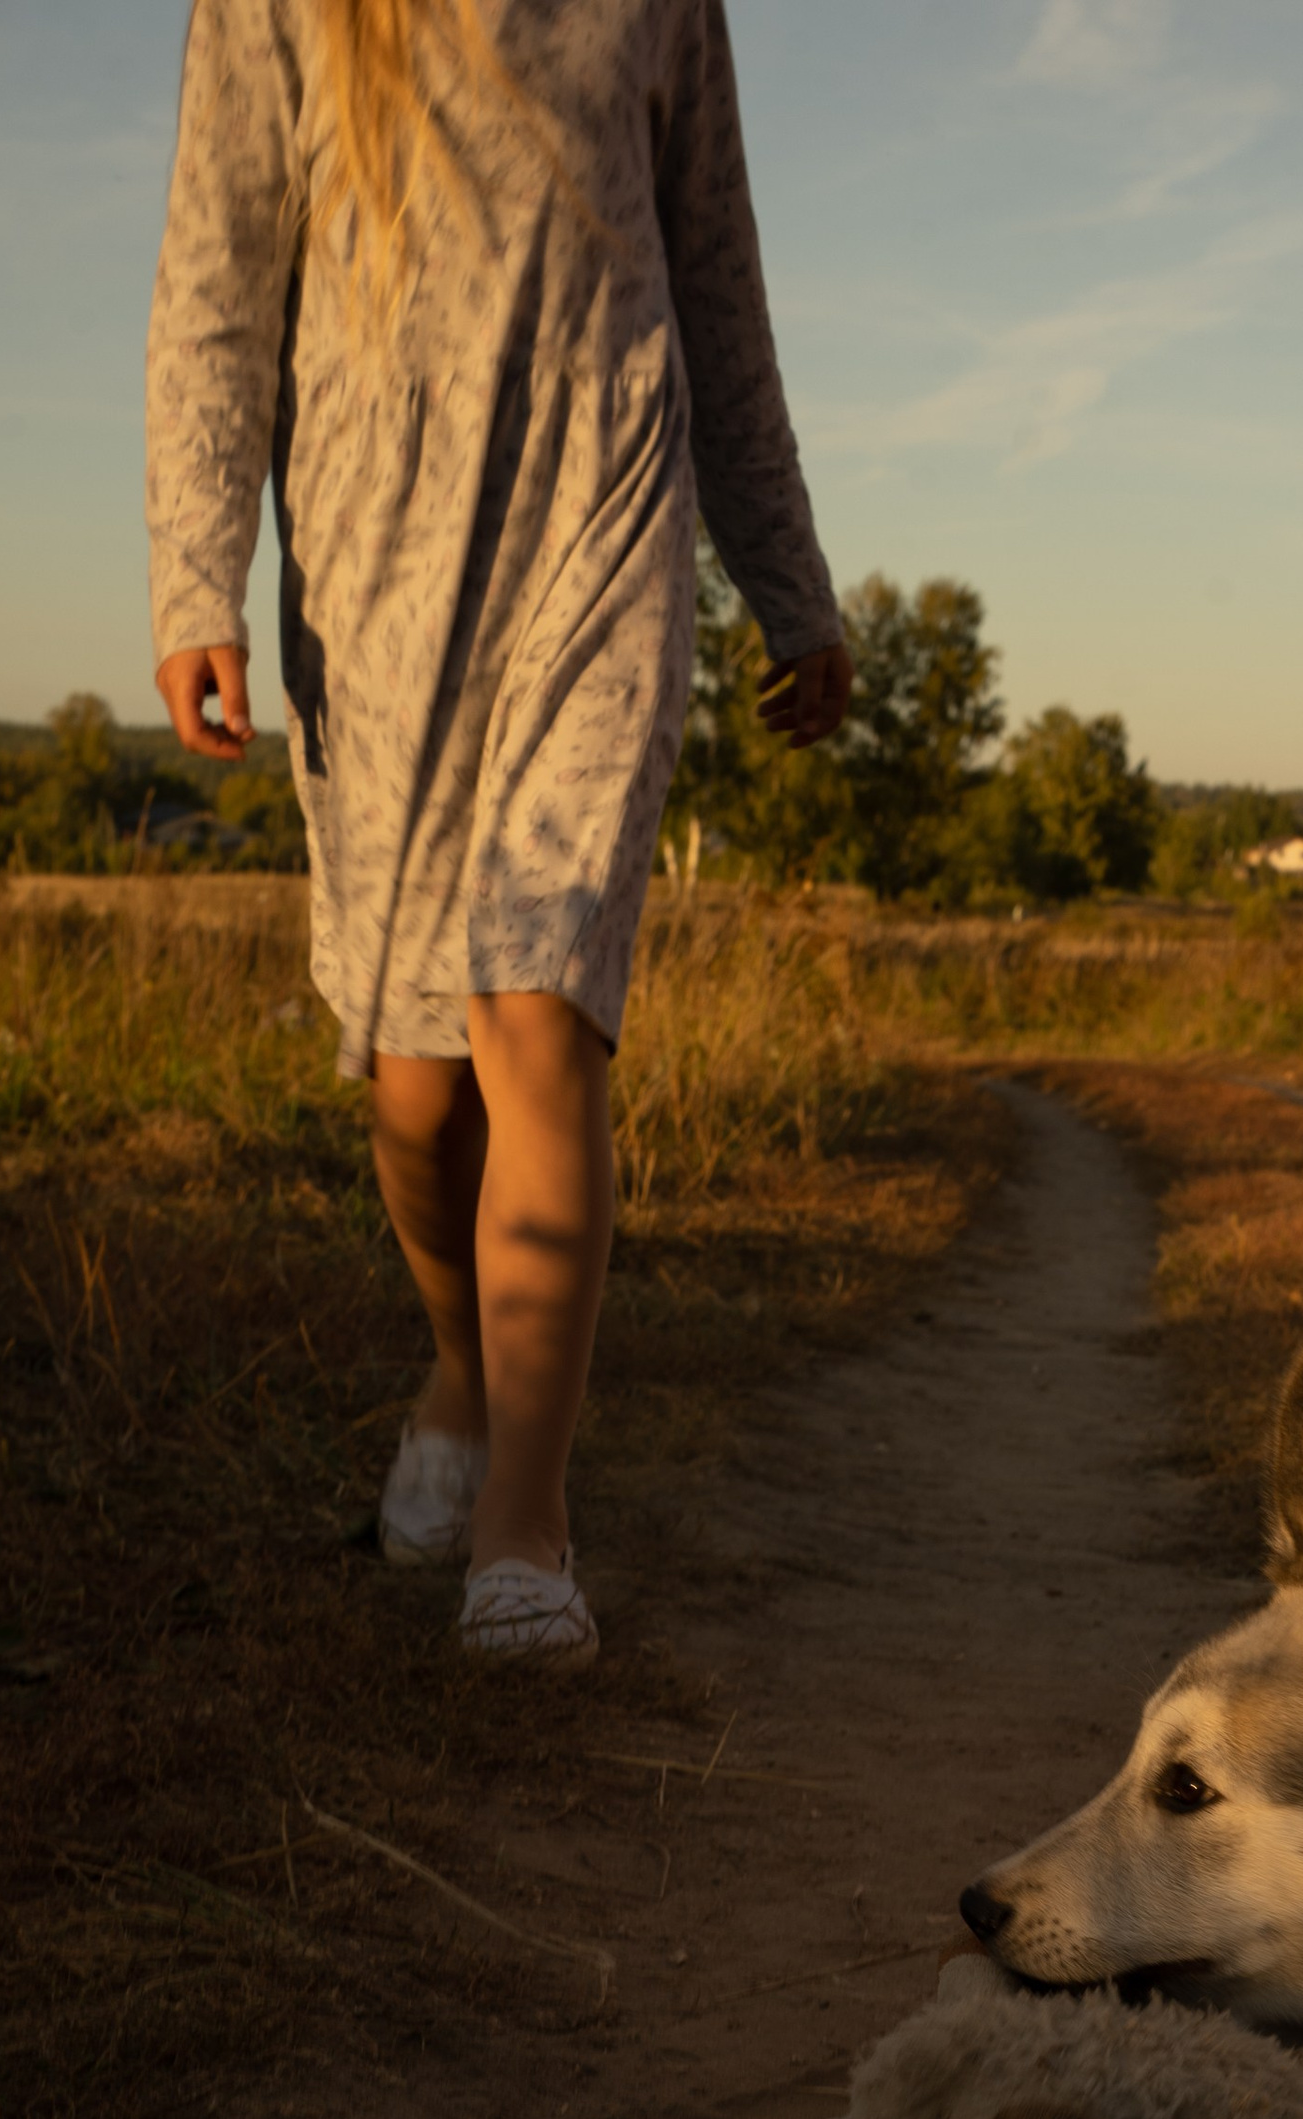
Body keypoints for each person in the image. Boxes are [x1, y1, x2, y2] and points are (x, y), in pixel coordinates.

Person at [146, 0, 849, 1666]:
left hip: (602, 522)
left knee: (536, 1006)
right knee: (412, 1084)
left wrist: (789, 581)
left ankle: (523, 1528)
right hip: (373, 559)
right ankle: (461, 1359)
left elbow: (720, 286)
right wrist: (199, 572)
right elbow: (216, 288)